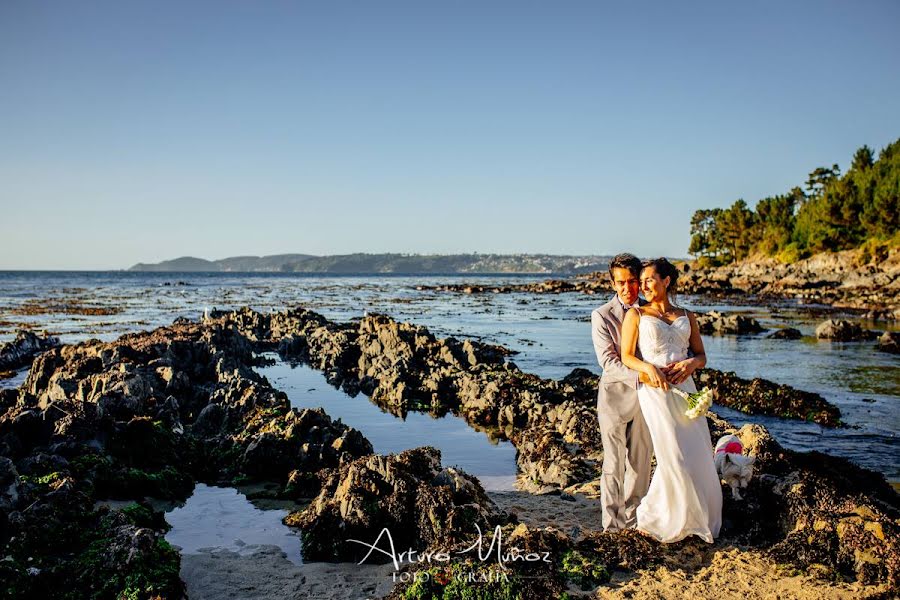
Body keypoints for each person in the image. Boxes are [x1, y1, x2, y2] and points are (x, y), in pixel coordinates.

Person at [620, 257, 722, 543]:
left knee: (698, 452)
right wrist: (648, 368)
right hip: (655, 391)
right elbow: (626, 356)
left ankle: (699, 517)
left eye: (650, 279)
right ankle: (658, 517)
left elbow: (701, 356)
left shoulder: (687, 315)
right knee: (673, 454)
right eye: (642, 282)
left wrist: (691, 365)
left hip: (686, 389)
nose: (644, 286)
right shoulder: (636, 315)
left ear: (666, 281)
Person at [591, 253, 658, 532]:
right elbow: (608, 362)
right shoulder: (602, 316)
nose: (627, 288)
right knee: (614, 464)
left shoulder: (651, 311)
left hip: (647, 400)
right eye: (621, 283)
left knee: (641, 465)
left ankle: (633, 523)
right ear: (612, 283)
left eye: (632, 281)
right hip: (614, 400)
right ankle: (612, 525)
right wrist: (643, 376)